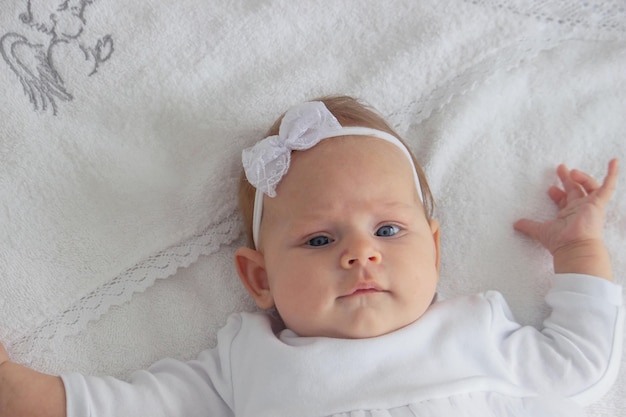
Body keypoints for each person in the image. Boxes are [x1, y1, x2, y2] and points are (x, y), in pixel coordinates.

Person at [0, 96, 622, 416]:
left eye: (387, 230)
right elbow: (138, 408)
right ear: (259, 277)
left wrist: (580, 248)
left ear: (434, 247)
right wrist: (25, 392)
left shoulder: (478, 333)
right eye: (321, 240)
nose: (360, 255)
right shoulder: (245, 365)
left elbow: (582, 366)